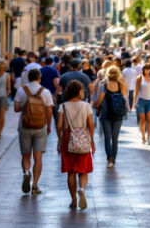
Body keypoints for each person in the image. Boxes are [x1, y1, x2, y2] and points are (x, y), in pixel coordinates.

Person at [14, 68, 53, 195]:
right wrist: (48, 125)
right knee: (38, 157)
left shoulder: (21, 90)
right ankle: (35, 185)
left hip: (24, 126)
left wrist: (25, 106)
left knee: (26, 155)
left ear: (28, 78)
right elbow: (49, 111)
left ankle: (26, 172)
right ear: (39, 78)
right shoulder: (45, 92)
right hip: (40, 127)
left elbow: (15, 109)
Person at [58, 80, 95, 209]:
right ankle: (82, 189)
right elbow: (91, 125)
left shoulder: (63, 106)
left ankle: (73, 200)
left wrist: (59, 139)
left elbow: (59, 125)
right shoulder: (86, 106)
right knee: (83, 170)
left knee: (70, 172)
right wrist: (92, 141)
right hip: (84, 138)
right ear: (80, 91)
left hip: (68, 139)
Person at [94, 66, 128, 168]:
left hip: (106, 114)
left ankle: (110, 158)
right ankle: (114, 159)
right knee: (115, 138)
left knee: (107, 137)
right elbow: (124, 97)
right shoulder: (121, 84)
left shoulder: (103, 85)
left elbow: (100, 100)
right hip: (118, 114)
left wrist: (96, 105)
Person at [134, 63, 150, 144]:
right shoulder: (139, 78)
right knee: (142, 120)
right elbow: (137, 90)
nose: (147, 69)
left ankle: (148, 138)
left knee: (149, 119)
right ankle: (143, 137)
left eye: (149, 68)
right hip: (141, 100)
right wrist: (134, 101)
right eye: (145, 68)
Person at [40, 56, 61, 123]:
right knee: (53, 106)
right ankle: (56, 121)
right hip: (51, 91)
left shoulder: (40, 70)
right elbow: (56, 82)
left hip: (41, 91)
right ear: (52, 62)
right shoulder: (54, 70)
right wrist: (56, 92)